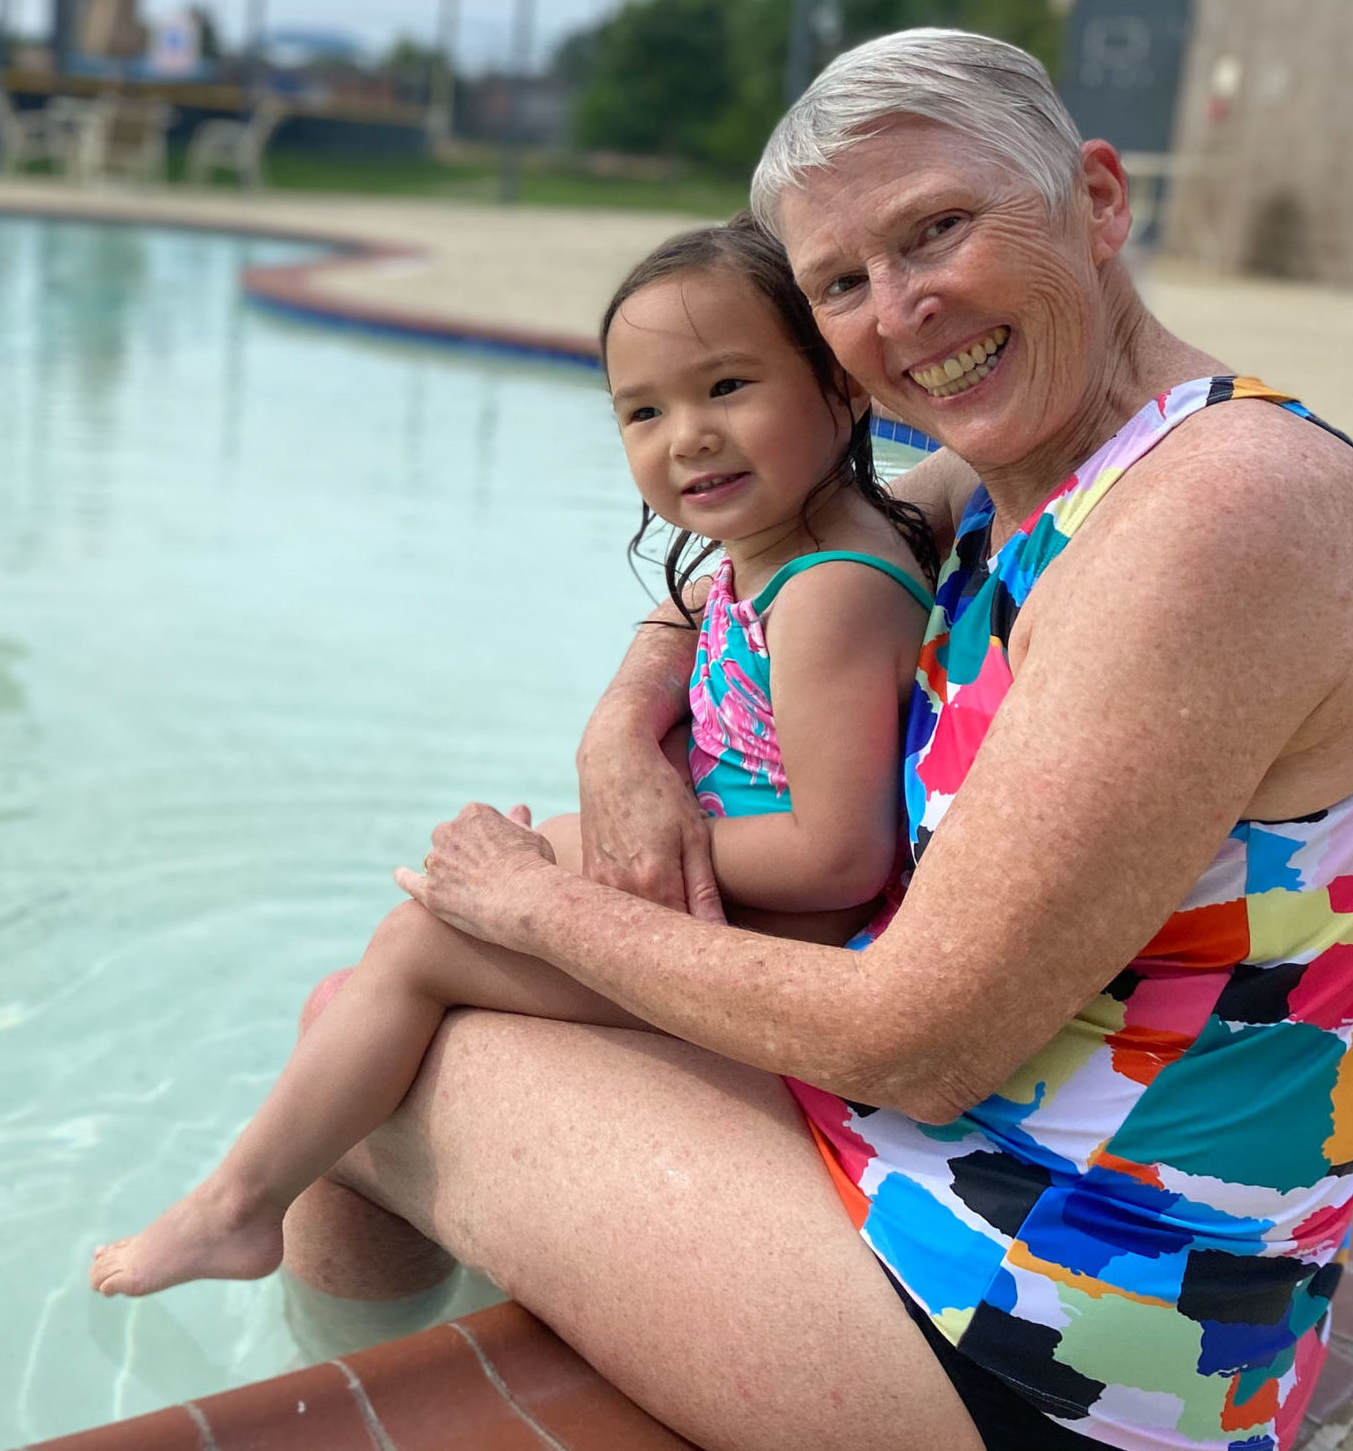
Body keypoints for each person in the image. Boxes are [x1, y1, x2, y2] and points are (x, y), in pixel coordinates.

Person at [268, 29, 1353, 1451]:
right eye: (842, 282)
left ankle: (321, 1410)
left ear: (1095, 201)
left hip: (1063, 1340)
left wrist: (529, 905)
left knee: (358, 1052)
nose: (901, 313)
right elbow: (756, 561)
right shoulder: (1043, 462)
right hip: (980, 1194)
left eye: (938, 229)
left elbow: (917, 1042)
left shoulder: (1214, 519)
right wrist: (622, 723)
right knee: (405, 990)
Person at [88, 216, 939, 1299]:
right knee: (467, 904)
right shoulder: (770, 555)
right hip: (733, 914)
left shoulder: (828, 592)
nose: (687, 436)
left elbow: (840, 856)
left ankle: (237, 1209)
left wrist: (604, 855)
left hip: (770, 943)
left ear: (842, 387)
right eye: (645, 409)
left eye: (728, 386)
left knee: (414, 946)